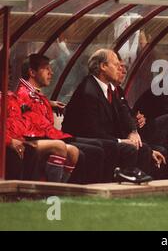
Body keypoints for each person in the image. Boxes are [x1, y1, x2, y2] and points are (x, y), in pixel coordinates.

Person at [62, 49, 163, 181]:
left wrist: (132, 131)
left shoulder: (109, 89)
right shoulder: (88, 91)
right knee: (129, 148)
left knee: (144, 149)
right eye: (116, 65)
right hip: (83, 139)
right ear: (103, 67)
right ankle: (121, 185)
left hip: (103, 138)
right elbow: (92, 131)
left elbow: (123, 113)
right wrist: (120, 141)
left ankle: (140, 189)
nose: (119, 69)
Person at [15, 54, 104, 184]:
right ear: (32, 72)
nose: (51, 72)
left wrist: (49, 103)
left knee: (98, 146)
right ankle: (69, 190)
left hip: (51, 135)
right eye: (46, 69)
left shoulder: (34, 94)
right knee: (93, 151)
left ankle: (70, 189)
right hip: (41, 138)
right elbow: (30, 122)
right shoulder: (24, 94)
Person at [2, 90, 79, 183]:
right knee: (59, 146)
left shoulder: (11, 96)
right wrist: (9, 141)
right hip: (15, 139)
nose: (10, 78)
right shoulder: (13, 94)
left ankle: (59, 191)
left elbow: (27, 105)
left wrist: (48, 103)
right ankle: (51, 192)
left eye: (11, 75)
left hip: (23, 136)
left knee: (73, 152)